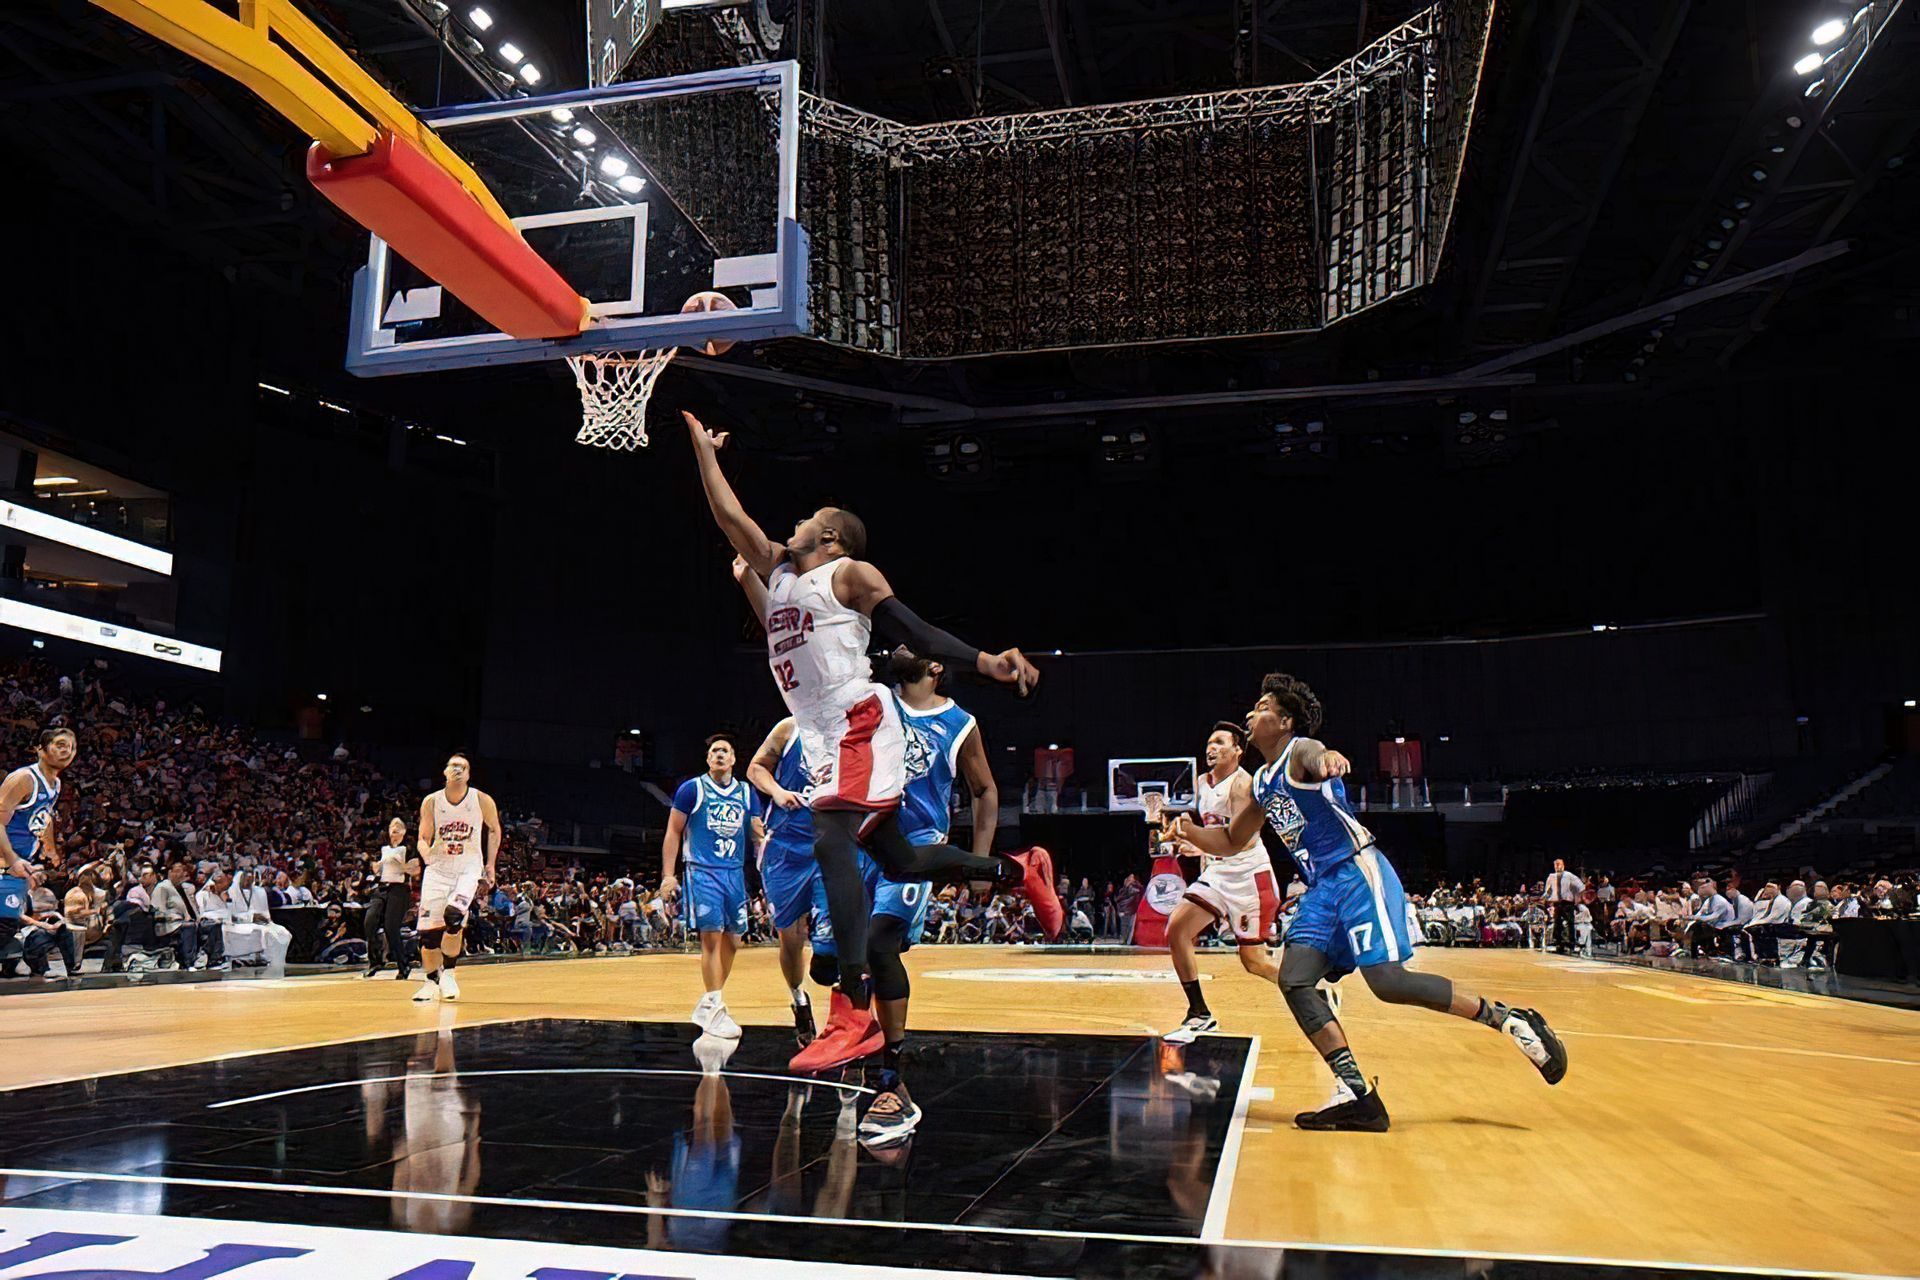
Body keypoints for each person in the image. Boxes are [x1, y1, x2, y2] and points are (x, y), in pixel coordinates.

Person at [685, 425, 1063, 1075]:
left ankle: (850, 1011)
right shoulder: (782, 578)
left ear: (830, 537)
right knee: (902, 857)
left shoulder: (850, 575)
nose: (795, 522)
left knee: (832, 837)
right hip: (826, 735)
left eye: (810, 519)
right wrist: (704, 452)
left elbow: (912, 628)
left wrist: (981, 661)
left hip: (860, 720)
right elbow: (728, 517)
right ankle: (1015, 869)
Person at [1171, 673, 1567, 1132]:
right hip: (1322, 890)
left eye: (1261, 707)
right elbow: (1231, 839)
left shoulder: (1300, 752)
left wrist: (1331, 757)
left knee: (1387, 982)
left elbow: (1319, 756)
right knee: (1296, 980)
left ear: (1284, 721)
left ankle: (1506, 1018)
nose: (1250, 713)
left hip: (1357, 872)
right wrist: (1187, 830)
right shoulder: (1261, 782)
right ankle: (1357, 1093)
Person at [808, 645, 1000, 1144]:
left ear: (935, 667)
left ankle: (893, 1079)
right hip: (861, 838)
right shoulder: (874, 698)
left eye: (912, 647)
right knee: (828, 964)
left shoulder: (960, 723)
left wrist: (979, 862)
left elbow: (985, 791)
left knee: (880, 944)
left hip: (915, 843)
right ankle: (859, 1039)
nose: (898, 648)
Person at [1159, 721, 1321, 1044]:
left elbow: (1239, 842)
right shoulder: (1201, 783)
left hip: (1249, 875)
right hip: (1219, 872)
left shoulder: (1243, 785)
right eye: (1209, 742)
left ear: (1237, 750)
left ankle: (1314, 994)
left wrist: (1192, 836)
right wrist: (1190, 844)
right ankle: (1199, 1013)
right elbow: (1214, 837)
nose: (1211, 747)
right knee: (1177, 928)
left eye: (1220, 742)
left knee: (1254, 962)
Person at [661, 736, 752, 1039]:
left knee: (735, 940)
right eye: (714, 751)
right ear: (708, 759)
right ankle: (714, 1004)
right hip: (703, 871)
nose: (719, 754)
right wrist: (668, 875)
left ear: (734, 758)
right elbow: (673, 832)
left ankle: (709, 1002)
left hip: (734, 872)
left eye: (725, 750)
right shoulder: (692, 789)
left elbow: (757, 832)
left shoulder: (745, 792)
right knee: (711, 939)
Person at [745, 715, 823, 1047]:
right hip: (786, 847)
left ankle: (847, 1019)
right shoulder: (790, 727)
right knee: (791, 937)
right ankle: (799, 1000)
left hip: (832, 843)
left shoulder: (855, 726)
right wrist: (776, 791)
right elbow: (755, 769)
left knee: (840, 934)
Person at [413, 753, 501, 1003]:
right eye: (453, 765)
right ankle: (431, 981)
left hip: (467, 867)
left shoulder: (481, 800)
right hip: (438, 868)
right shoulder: (432, 801)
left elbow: (494, 830)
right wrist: (425, 853)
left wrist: (490, 865)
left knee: (454, 917)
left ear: (469, 774)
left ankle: (449, 973)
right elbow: (422, 836)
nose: (458, 769)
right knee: (429, 936)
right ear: (445, 772)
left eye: (463, 767)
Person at [366, 817, 417, 979]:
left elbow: (415, 870)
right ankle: (375, 962)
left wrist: (401, 866)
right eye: (391, 829)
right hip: (382, 887)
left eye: (396, 830)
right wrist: (376, 867)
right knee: (369, 921)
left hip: (399, 888)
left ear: (403, 832)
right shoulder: (383, 848)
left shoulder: (408, 848)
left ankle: (403, 965)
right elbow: (376, 869)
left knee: (391, 927)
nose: (393, 833)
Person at [1544, 859, 1583, 954]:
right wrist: (1545, 899)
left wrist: (1577, 898)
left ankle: (1572, 943)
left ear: (1563, 865)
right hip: (1557, 902)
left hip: (1567, 902)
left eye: (1559, 864)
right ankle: (1557, 942)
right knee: (1557, 922)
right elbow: (1547, 891)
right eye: (1555, 865)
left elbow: (1581, 886)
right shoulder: (1551, 877)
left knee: (1570, 922)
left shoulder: (1569, 876)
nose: (1557, 866)